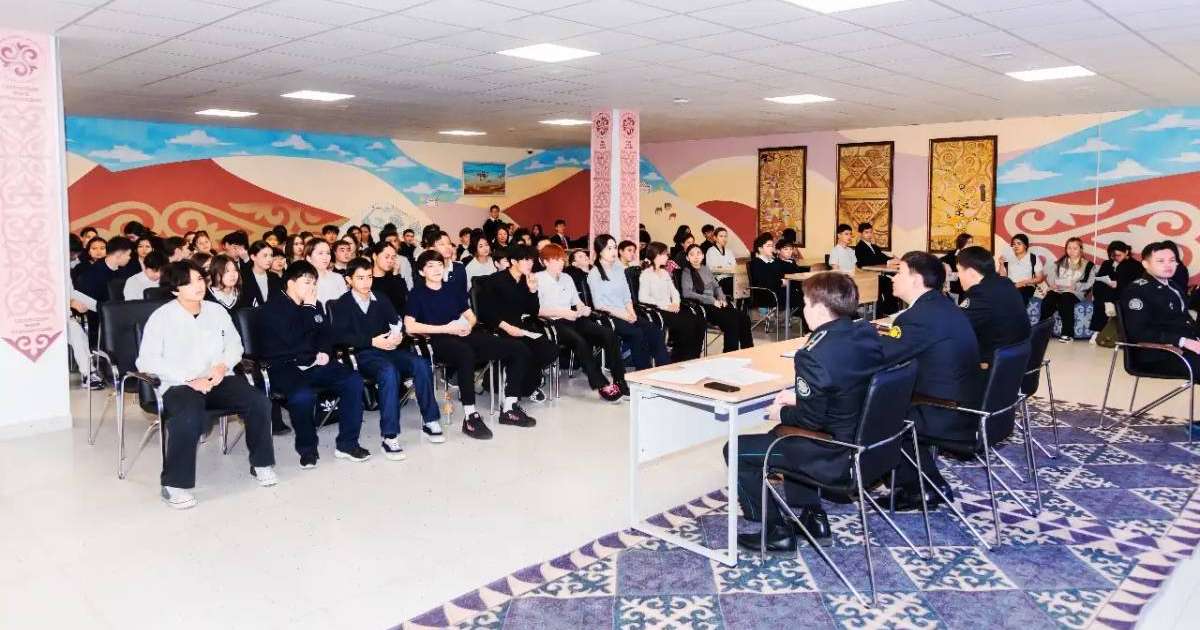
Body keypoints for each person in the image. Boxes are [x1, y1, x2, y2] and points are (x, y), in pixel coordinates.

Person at [726, 271, 884, 550]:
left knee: (737, 449)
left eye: (807, 304)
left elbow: (810, 420)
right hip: (870, 441)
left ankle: (775, 530)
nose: (804, 309)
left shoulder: (812, 353)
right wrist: (800, 396)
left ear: (821, 309)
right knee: (782, 436)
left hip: (835, 452)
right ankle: (813, 516)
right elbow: (843, 384)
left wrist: (782, 411)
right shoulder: (866, 334)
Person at [137, 261, 276, 509]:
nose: (198, 286)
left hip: (217, 379)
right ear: (175, 289)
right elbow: (146, 360)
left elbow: (235, 345)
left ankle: (261, 463)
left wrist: (223, 365)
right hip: (179, 384)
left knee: (259, 402)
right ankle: (173, 485)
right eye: (189, 282)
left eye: (200, 279)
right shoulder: (162, 317)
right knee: (188, 416)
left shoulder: (216, 311)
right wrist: (189, 378)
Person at [879, 251, 981, 511]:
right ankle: (926, 483)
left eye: (899, 271)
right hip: (966, 401)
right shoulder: (943, 305)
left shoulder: (916, 318)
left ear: (916, 279)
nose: (893, 277)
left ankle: (920, 488)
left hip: (944, 409)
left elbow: (882, 359)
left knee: (875, 416)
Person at [405, 250, 538, 440]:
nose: (436, 269)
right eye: (430, 266)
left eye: (440, 265)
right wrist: (445, 328)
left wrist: (468, 325)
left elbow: (471, 315)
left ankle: (509, 407)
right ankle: (470, 416)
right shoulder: (417, 294)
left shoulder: (451, 289)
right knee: (465, 354)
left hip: (462, 333)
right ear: (421, 272)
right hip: (438, 340)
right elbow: (410, 325)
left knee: (518, 348)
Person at [257, 261, 370, 468]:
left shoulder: (314, 305)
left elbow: (325, 334)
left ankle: (347, 443)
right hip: (285, 365)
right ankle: (307, 450)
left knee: (353, 380)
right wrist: (309, 308)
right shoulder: (272, 307)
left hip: (314, 362)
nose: (312, 288)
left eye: (314, 283)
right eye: (307, 282)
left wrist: (325, 352)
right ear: (291, 283)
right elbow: (291, 338)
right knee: (302, 396)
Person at [330, 259, 442, 455]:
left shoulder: (380, 298)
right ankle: (389, 435)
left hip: (389, 349)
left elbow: (396, 321)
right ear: (349, 280)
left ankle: (430, 419)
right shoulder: (342, 303)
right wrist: (372, 341)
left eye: (369, 277)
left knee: (421, 364)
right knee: (388, 372)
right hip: (362, 354)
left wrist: (397, 335)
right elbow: (340, 336)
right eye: (360, 278)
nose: (366, 282)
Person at [535, 244, 625, 401]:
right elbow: (537, 310)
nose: (561, 263)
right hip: (553, 323)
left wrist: (583, 309)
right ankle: (601, 384)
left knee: (608, 333)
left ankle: (620, 379)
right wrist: (563, 312)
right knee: (580, 341)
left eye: (561, 259)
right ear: (545, 262)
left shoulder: (567, 278)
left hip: (573, 318)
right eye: (556, 260)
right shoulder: (537, 278)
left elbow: (577, 302)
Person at [476, 245, 559, 402]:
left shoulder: (524, 281)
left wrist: (533, 291)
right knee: (524, 350)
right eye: (526, 260)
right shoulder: (495, 280)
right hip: (498, 327)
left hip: (520, 326)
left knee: (550, 350)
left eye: (532, 260)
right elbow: (485, 312)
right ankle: (516, 386)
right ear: (513, 261)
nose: (530, 264)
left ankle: (525, 386)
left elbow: (533, 311)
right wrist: (507, 327)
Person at [1121, 242, 1200, 385]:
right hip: (1159, 355)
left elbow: (1183, 319)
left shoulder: (1172, 286)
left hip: (1184, 349)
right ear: (1145, 264)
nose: (1168, 265)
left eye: (1172, 260)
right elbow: (1138, 332)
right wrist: (1183, 341)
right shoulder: (1137, 290)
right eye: (1160, 261)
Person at [588, 234, 669, 369]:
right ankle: (643, 372)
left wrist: (631, 312)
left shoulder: (619, 269)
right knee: (637, 333)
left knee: (653, 329)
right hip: (608, 316)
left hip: (627, 312)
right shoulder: (595, 273)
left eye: (614, 247)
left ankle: (664, 368)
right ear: (600, 250)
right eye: (609, 248)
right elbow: (599, 305)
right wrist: (624, 315)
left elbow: (627, 296)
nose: (613, 251)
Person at [955, 246, 1030, 371]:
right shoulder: (1005, 282)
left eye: (959, 271)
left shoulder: (980, 294)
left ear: (971, 273)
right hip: (1016, 358)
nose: (958, 276)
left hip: (996, 366)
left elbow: (955, 327)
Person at [680, 244, 753, 353]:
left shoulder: (705, 269)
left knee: (744, 318)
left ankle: (747, 352)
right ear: (687, 258)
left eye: (698, 253)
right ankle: (730, 354)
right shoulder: (687, 272)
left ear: (703, 256)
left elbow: (716, 286)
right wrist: (712, 301)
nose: (696, 257)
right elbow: (687, 293)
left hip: (717, 303)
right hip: (703, 306)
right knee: (731, 321)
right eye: (692, 254)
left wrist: (722, 298)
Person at [639, 242, 704, 362]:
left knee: (698, 320)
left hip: (671, 306)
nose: (667, 257)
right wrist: (664, 305)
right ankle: (680, 358)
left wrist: (676, 303)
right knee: (686, 324)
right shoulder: (646, 274)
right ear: (656, 255)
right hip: (657, 309)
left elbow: (674, 291)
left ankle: (693, 357)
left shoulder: (664, 273)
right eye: (664, 254)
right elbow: (643, 298)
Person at [1040, 237, 1095, 342]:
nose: (1071, 250)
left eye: (1075, 248)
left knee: (1066, 298)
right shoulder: (1060, 262)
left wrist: (1076, 286)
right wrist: (1053, 285)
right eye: (1069, 248)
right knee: (1049, 297)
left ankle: (1067, 334)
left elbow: (1090, 283)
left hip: (1075, 292)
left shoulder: (1088, 265)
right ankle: (1041, 331)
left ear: (1081, 249)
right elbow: (1051, 277)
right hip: (1059, 290)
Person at [1089, 240, 1141, 341]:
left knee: (1109, 295)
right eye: (1113, 256)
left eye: (1118, 255)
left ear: (1126, 252)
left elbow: (1137, 284)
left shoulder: (1136, 265)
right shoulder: (1107, 263)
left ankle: (1108, 305)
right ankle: (1098, 330)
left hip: (1125, 294)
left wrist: (1118, 284)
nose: (1116, 258)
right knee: (1101, 296)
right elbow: (1099, 280)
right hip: (1107, 293)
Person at [999, 233, 1044, 304]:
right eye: (1014, 244)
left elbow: (1039, 278)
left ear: (1025, 245)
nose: (1016, 246)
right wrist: (1001, 264)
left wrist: (1023, 282)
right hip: (1010, 285)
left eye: (1019, 243)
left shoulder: (1033, 258)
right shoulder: (1008, 257)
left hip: (1026, 286)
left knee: (1019, 297)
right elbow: (1002, 277)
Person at [370, 241, 409, 314]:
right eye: (386, 257)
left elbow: (401, 303)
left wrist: (396, 274)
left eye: (393, 257)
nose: (390, 261)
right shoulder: (366, 279)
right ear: (375, 256)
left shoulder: (396, 277)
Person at [304, 238, 346, 305]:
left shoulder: (338, 278)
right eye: (320, 253)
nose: (325, 257)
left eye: (328, 253)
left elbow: (345, 303)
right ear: (309, 258)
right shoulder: (303, 281)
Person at [243, 241, 281, 307]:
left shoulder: (274, 277)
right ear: (253, 257)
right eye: (265, 255)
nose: (269, 259)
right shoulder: (243, 278)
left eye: (271, 255)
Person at [705, 227, 736, 297]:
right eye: (721, 236)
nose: (724, 238)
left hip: (731, 278)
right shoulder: (711, 251)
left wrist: (722, 267)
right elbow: (712, 269)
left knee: (742, 283)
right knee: (733, 283)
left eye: (725, 236)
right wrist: (726, 268)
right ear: (715, 238)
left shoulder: (729, 251)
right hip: (718, 280)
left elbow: (734, 266)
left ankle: (740, 306)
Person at [940, 233, 973, 297]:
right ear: (962, 243)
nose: (971, 245)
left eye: (971, 242)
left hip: (968, 291)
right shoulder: (950, 257)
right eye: (969, 242)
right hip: (953, 291)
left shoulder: (972, 257)